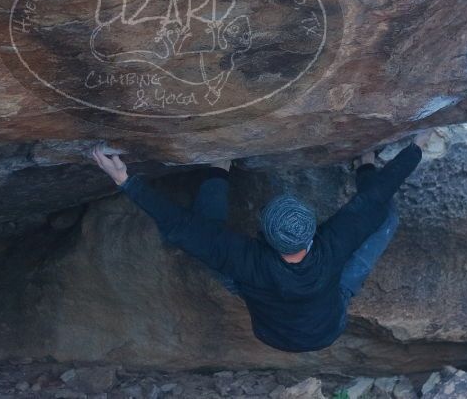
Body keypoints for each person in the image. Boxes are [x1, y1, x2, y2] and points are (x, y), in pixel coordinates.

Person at [91, 131, 431, 352]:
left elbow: (180, 227)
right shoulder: (333, 247)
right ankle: (365, 163)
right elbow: (372, 204)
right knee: (384, 218)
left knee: (206, 235)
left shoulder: (247, 259)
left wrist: (124, 179)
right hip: (325, 320)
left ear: (264, 236)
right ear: (313, 234)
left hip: (267, 315)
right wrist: (415, 147)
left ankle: (218, 166)